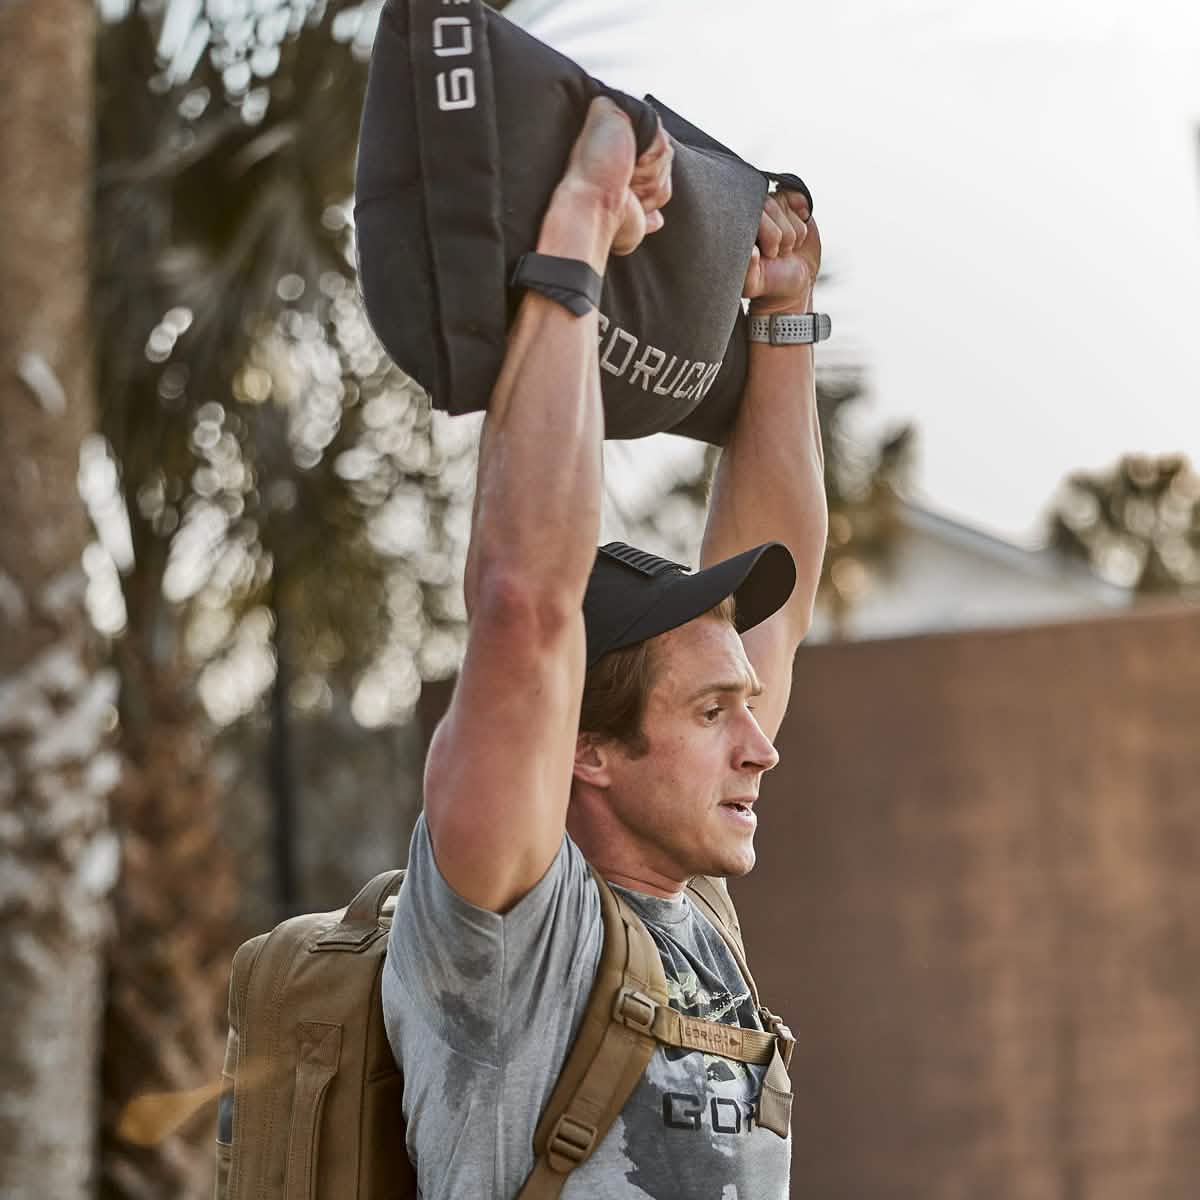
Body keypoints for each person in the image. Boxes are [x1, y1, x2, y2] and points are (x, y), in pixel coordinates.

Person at [382, 96, 828, 1199]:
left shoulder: (694, 904)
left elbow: (783, 574)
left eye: (743, 708)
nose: (760, 745)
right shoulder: (509, 921)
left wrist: (781, 325)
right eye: (712, 715)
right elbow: (526, 601)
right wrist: (578, 227)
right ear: (587, 749)